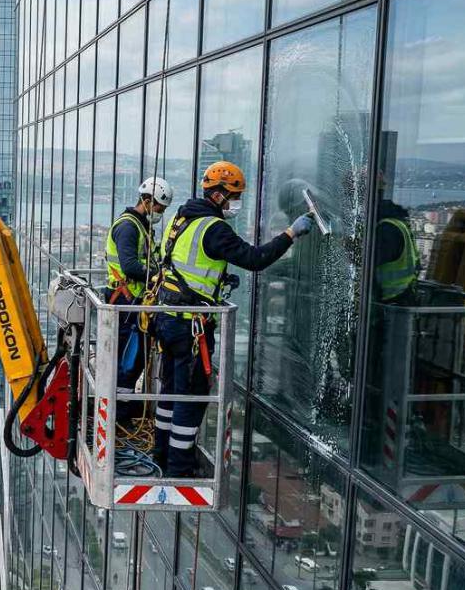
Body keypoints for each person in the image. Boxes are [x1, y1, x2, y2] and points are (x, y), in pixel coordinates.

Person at [154, 161, 314, 476]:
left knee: (170, 389)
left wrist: (218, 281)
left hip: (168, 317)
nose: (234, 204)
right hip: (191, 325)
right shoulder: (214, 228)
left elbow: (183, 264)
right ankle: (179, 466)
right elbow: (255, 259)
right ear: (219, 195)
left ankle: (161, 453)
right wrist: (291, 233)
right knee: (191, 394)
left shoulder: (181, 218)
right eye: (234, 197)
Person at [105, 177, 173, 425]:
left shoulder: (141, 226)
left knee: (134, 358)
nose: (160, 213)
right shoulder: (128, 227)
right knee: (128, 358)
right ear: (146, 201)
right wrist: (158, 276)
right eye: (159, 208)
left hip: (134, 301)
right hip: (125, 301)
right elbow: (130, 266)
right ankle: (120, 415)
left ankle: (122, 411)